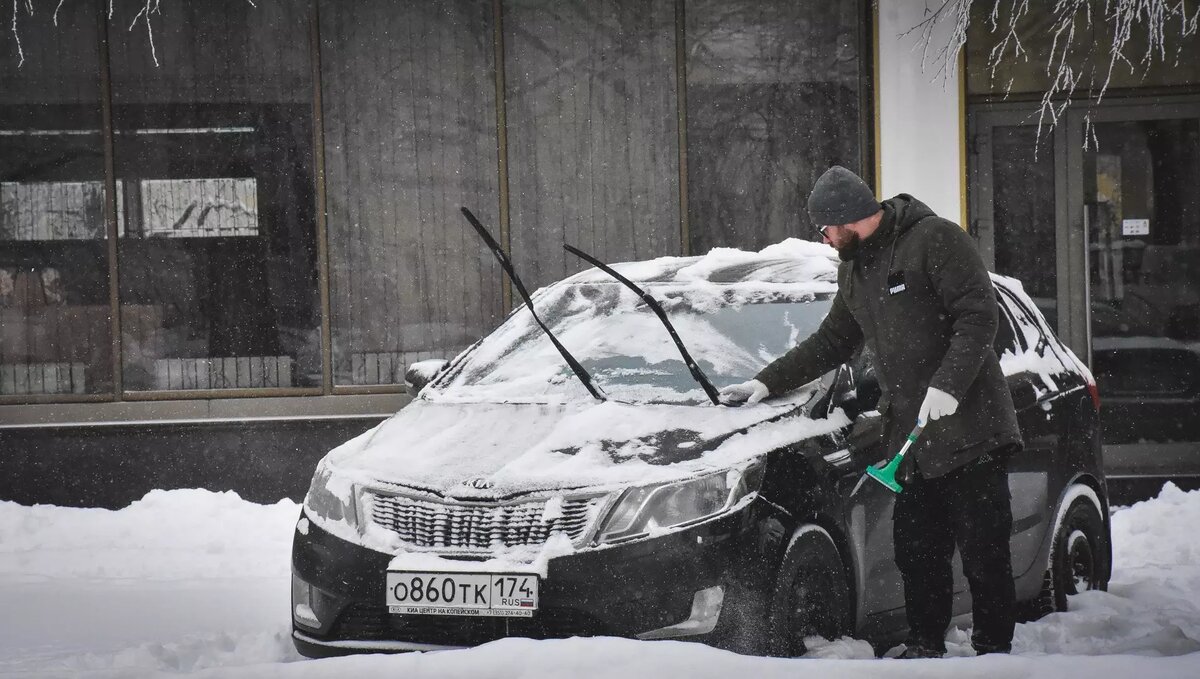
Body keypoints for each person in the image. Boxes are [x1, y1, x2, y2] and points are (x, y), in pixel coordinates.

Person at [720, 166, 1023, 658]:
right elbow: (833, 341)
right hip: (913, 439)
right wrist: (765, 381)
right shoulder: (855, 268)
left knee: (984, 553)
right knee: (917, 552)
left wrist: (949, 385)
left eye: (825, 228)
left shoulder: (936, 239)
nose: (823, 237)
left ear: (845, 219)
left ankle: (994, 653)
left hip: (972, 430)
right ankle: (927, 645)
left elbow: (979, 315)